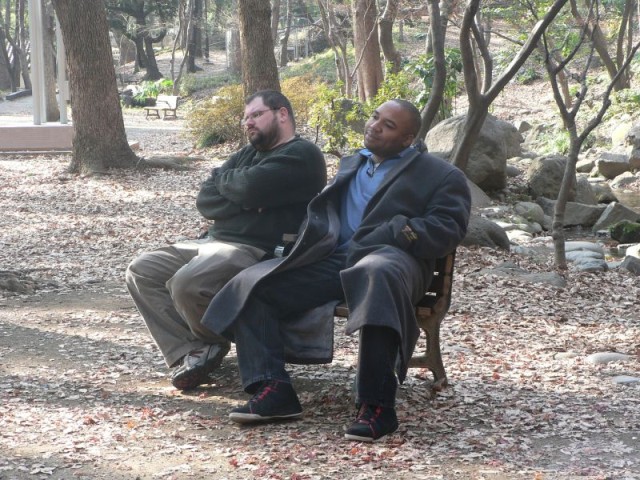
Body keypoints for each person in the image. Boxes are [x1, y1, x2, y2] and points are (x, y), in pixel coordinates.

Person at [200, 99, 471, 442]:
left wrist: (395, 231)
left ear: (408, 139)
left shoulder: (441, 174)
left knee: (376, 274)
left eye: (388, 125)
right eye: (375, 117)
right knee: (255, 283)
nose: (374, 126)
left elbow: (448, 228)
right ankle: (273, 388)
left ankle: (378, 407)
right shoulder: (354, 163)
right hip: (337, 260)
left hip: (394, 262)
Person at [125, 90, 327, 391]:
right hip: (211, 241)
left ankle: (211, 342)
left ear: (282, 114)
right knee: (141, 270)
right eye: (246, 118)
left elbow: (248, 188)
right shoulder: (249, 154)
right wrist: (239, 191)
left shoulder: (302, 155)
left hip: (256, 250)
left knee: (187, 283)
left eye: (256, 115)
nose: (249, 123)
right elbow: (205, 200)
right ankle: (194, 348)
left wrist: (231, 185)